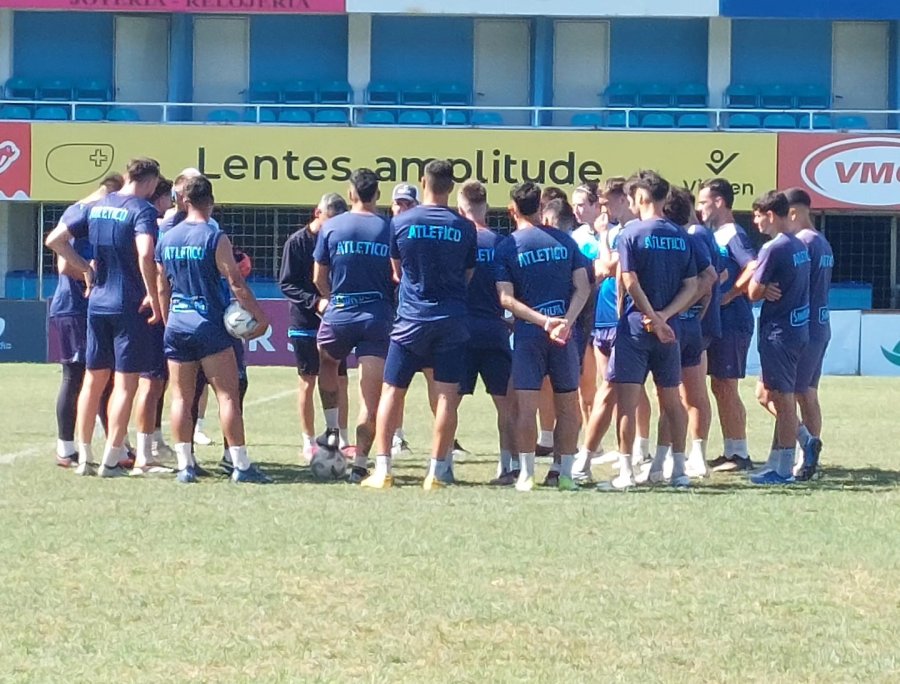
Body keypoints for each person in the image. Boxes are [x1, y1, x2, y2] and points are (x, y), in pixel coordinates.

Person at [362, 159, 477, 490]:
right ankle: (437, 472)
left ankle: (383, 470)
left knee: (392, 392)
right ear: (451, 187)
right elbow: (468, 274)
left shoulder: (400, 222)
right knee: (445, 397)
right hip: (451, 319)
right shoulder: (465, 227)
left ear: (422, 182)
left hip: (411, 320)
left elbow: (396, 271)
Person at [44, 157, 162, 478]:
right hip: (128, 304)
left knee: (92, 381)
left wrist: (85, 268)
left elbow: (54, 240)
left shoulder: (97, 205)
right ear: (150, 182)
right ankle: (111, 459)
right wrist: (152, 291)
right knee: (125, 384)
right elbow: (145, 252)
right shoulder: (142, 210)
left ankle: (83, 457)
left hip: (96, 303)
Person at [155, 175, 271, 484]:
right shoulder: (214, 235)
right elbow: (235, 281)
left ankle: (185, 466)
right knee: (227, 397)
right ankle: (241, 466)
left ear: (184, 201)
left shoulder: (168, 236)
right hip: (208, 322)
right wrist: (260, 317)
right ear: (212, 202)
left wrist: (168, 321)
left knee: (180, 397)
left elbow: (161, 284)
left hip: (178, 322)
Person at [603, 170, 698, 490]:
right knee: (672, 401)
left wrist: (651, 318)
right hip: (670, 330)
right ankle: (680, 470)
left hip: (635, 328)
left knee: (627, 401)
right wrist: (666, 317)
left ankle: (627, 472)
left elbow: (628, 281)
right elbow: (694, 284)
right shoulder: (680, 235)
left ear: (642, 198)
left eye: (631, 198)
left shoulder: (630, 234)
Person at [495, 182, 591, 492]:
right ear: (540, 207)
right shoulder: (565, 241)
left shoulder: (508, 247)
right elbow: (584, 287)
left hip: (529, 336)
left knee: (526, 407)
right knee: (567, 407)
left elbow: (506, 300)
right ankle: (562, 473)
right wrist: (566, 321)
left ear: (513, 210)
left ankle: (526, 473)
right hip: (565, 336)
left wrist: (543, 321)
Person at [313, 169, 393, 484]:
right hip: (376, 316)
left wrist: (332, 299)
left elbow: (318, 278)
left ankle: (333, 432)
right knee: (370, 397)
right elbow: (399, 274)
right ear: (377, 195)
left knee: (327, 361)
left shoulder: (331, 227)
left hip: (340, 312)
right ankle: (360, 464)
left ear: (350, 194)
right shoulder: (389, 228)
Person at [48, 173, 124, 468]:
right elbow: (64, 263)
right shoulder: (81, 212)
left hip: (88, 307)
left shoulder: (83, 211)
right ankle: (66, 449)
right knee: (76, 375)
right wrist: (91, 274)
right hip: (75, 305)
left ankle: (113, 447)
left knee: (100, 377)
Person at [648, 187, 718, 482]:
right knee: (688, 394)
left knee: (673, 396)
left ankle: (676, 460)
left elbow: (710, 278)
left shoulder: (686, 238)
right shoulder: (691, 237)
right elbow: (712, 277)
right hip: (691, 327)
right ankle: (681, 458)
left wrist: (679, 308)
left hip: (678, 326)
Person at [279, 192, 350, 462]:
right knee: (307, 381)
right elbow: (286, 283)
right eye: (330, 220)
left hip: (335, 320)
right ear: (317, 213)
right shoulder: (297, 243)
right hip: (305, 321)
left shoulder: (338, 240)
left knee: (340, 380)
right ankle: (308, 441)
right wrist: (315, 302)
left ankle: (341, 438)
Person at [455, 180, 517, 485]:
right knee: (507, 404)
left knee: (448, 401)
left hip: (461, 330)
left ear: (460, 207)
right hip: (495, 329)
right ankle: (509, 466)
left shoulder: (456, 241)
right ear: (486, 207)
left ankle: (442, 466)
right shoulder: (502, 243)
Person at [746, 191, 810, 485]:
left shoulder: (775, 248)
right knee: (766, 394)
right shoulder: (799, 245)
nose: (756, 221)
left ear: (770, 215)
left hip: (778, 333)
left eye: (758, 215)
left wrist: (763, 287)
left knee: (783, 400)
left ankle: (784, 468)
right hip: (796, 329)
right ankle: (798, 443)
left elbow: (753, 292)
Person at [697, 177, 757, 471]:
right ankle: (732, 449)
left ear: (719, 202)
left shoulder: (732, 233)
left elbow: (752, 266)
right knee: (719, 385)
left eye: (703, 202)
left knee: (726, 385)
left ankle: (739, 452)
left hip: (733, 321)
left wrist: (730, 294)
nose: (699, 209)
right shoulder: (717, 234)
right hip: (723, 321)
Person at [575, 178, 629, 481]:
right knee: (608, 388)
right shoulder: (605, 233)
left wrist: (605, 237)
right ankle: (620, 454)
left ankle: (632, 453)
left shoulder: (617, 233)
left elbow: (607, 267)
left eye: (606, 203)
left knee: (617, 390)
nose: (603, 210)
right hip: (601, 320)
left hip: (622, 320)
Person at [784, 187, 833, 481]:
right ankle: (809, 454)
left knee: (773, 394)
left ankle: (806, 446)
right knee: (807, 393)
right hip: (820, 324)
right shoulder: (823, 242)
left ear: (793, 213)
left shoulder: (803, 243)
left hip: (803, 326)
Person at [130, 175, 177, 475]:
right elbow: (156, 270)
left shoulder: (142, 222)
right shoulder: (148, 223)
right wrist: (162, 308)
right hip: (149, 311)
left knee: (148, 382)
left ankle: (142, 445)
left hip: (132, 307)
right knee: (150, 382)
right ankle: (144, 454)